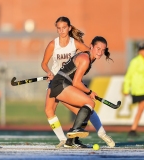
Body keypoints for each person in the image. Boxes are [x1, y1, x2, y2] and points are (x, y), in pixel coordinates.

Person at [41, 17, 115, 148]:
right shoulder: (54, 44)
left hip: (67, 82)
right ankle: (66, 138)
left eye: (64, 28)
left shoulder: (76, 45)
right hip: (60, 81)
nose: (61, 31)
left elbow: (88, 52)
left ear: (69, 28)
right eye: (59, 28)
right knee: (50, 110)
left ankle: (76, 139)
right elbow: (45, 63)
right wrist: (49, 72)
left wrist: (93, 54)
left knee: (84, 110)